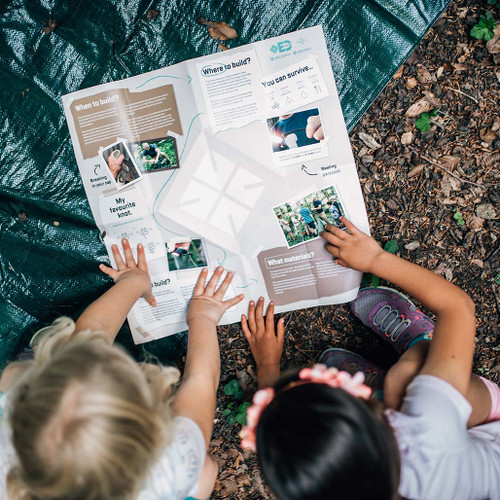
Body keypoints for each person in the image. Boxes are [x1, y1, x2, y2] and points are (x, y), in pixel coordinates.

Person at [240, 217, 500, 500]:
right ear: (359, 402)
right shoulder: (429, 431)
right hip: (483, 428)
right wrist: (375, 258)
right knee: (403, 379)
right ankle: (425, 346)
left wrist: (267, 365)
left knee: (402, 386)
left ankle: (407, 380)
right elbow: (458, 308)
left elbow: (291, 441)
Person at [0, 240, 243, 500]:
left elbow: (89, 338)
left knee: (37, 365)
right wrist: (203, 318)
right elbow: (201, 383)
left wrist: (133, 282)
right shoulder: (175, 463)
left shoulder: (12, 432)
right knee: (204, 472)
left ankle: (48, 355)